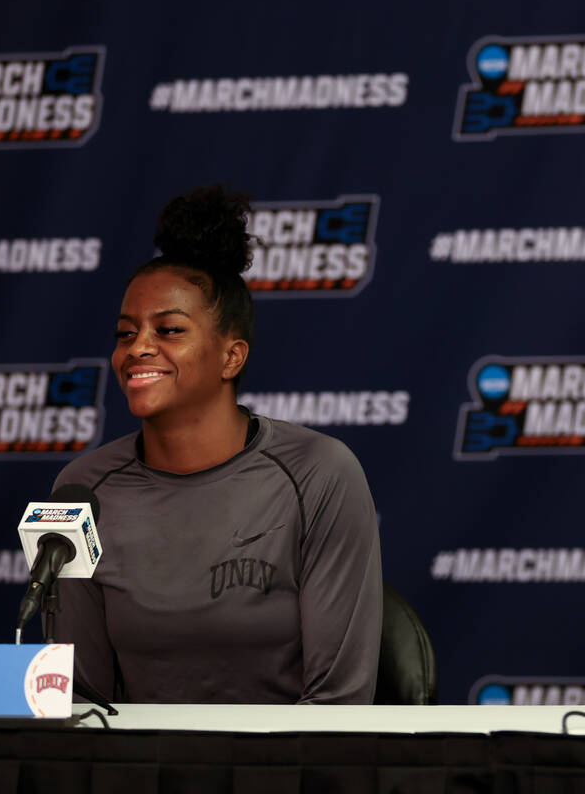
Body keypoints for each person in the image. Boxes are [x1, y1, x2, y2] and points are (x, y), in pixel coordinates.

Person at [51, 185, 382, 704]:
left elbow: (339, 701)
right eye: (125, 332)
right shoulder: (78, 490)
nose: (138, 348)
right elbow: (78, 697)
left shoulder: (320, 473)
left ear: (232, 357)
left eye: (169, 330)